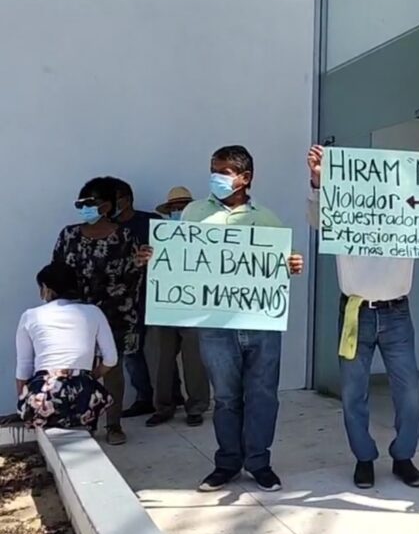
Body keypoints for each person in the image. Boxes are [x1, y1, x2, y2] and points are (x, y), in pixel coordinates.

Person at [138, 145, 304, 492]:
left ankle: (259, 463)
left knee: (262, 395)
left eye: (224, 171)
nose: (216, 177)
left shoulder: (268, 218)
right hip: (215, 324)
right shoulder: (195, 212)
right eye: (214, 169)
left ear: (245, 178)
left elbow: (279, 267)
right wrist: (157, 257)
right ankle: (227, 463)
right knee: (226, 397)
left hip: (260, 322)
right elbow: (180, 258)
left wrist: (290, 266)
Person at [306, 144, 419, 489]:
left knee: (409, 392)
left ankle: (403, 456)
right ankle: (364, 458)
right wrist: (319, 182)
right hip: (355, 312)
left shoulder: (406, 215)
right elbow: (317, 219)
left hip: (396, 313)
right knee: (353, 393)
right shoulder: (345, 210)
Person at [53, 176, 142, 445]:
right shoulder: (68, 235)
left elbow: (133, 275)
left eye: (91, 203)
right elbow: (56, 273)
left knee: (112, 369)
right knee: (78, 370)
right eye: (81, 203)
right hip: (76, 316)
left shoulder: (125, 236)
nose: (85, 208)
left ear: (107, 206)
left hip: (115, 314)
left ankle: (113, 425)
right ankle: (85, 421)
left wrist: (141, 264)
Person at [16, 263, 117, 430]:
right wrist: (89, 377)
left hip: (44, 393)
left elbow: (23, 368)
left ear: (46, 289)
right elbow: (111, 359)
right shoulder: (94, 312)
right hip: (84, 392)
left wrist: (23, 402)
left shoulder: (30, 316)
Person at [145, 186, 210, 428]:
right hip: (164, 306)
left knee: (195, 362)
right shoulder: (157, 238)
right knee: (160, 360)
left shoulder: (206, 235)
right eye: (173, 208)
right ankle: (163, 406)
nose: (177, 211)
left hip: (194, 308)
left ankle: (197, 407)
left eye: (182, 207)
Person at [110, 178, 161, 419]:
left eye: (115, 199)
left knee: (164, 349)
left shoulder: (151, 222)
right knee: (131, 351)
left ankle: (172, 397)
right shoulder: (106, 227)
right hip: (126, 301)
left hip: (160, 296)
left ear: (127, 200)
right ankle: (144, 398)